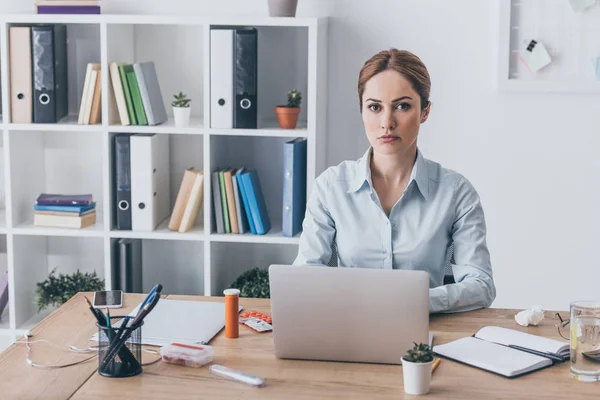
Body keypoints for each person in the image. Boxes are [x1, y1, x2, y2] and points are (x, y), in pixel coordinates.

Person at [293, 48, 496, 313]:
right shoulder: (331, 187)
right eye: (375, 107)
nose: (387, 122)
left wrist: (417, 301)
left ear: (424, 112)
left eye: (402, 106)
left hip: (424, 336)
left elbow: (481, 286)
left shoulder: (456, 193)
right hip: (347, 329)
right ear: (362, 112)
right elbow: (305, 276)